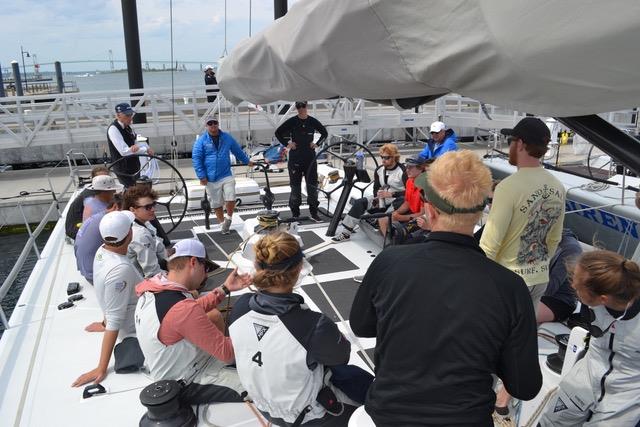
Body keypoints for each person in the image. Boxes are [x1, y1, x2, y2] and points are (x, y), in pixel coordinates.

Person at [349, 150, 542, 426]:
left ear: (429, 210)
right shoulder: (510, 287)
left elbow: (362, 326)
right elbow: (525, 386)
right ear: (479, 213)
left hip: (389, 417)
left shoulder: (389, 262)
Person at [229, 231, 373, 426]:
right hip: (307, 416)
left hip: (265, 407)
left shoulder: (240, 307)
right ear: (298, 269)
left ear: (256, 266)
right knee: (362, 382)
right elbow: (341, 357)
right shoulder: (315, 325)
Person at [479, 117, 565, 421]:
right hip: (538, 276)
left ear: (520, 144)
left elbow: (489, 244)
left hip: (505, 281)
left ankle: (481, 403)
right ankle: (503, 405)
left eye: (510, 141)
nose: (508, 147)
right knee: (519, 343)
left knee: (488, 344)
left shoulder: (509, 187)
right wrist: (536, 264)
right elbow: (554, 240)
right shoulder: (558, 187)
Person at [135, 239, 252, 404]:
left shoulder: (153, 287)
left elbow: (190, 310)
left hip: (168, 374)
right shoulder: (182, 309)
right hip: (188, 382)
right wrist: (258, 334)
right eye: (206, 268)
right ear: (193, 262)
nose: (206, 275)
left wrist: (224, 289)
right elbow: (227, 353)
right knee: (261, 384)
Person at [539, 250, 640, 427]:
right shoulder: (596, 301)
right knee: (551, 422)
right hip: (587, 374)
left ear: (603, 299)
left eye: (578, 288)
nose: (572, 287)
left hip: (626, 393)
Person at [72, 210, 143, 387]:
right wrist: (101, 368)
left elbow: (109, 297)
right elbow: (115, 319)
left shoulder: (102, 250)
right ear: (130, 234)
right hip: (137, 330)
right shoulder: (120, 269)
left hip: (133, 318)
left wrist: (103, 323)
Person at [332, 143, 407, 242]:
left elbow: (410, 192)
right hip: (382, 198)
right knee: (360, 203)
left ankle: (387, 236)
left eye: (387, 157)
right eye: (381, 157)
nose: (383, 160)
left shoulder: (403, 171)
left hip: (398, 199)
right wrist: (376, 198)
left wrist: (391, 194)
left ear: (394, 157)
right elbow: (376, 187)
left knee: (387, 213)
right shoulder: (379, 170)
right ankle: (346, 232)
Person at [192, 117, 253, 234]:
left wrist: (247, 161)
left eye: (215, 123)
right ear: (206, 126)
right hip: (210, 178)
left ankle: (229, 218)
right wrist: (202, 176)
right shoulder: (200, 141)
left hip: (226, 174)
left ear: (218, 124)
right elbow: (196, 159)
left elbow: (237, 151)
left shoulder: (227, 137)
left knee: (231, 196)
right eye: (210, 123)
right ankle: (222, 224)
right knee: (216, 203)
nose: (213, 125)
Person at [275, 101, 328, 221]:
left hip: (310, 159)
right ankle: (295, 214)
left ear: (306, 106)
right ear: (296, 108)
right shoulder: (292, 121)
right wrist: (287, 144)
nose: (301, 109)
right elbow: (278, 132)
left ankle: (314, 212)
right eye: (298, 106)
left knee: (312, 188)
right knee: (295, 188)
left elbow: (324, 133)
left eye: (302, 106)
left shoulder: (312, 121)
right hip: (295, 159)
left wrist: (317, 144)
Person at [75, 194, 123, 285]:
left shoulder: (96, 217)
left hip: (85, 269)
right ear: (116, 207)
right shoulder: (109, 222)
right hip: (95, 276)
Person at [537, 228, 583, 324]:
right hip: (535, 290)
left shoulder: (571, 249)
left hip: (559, 300)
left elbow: (550, 288)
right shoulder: (536, 238)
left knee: (515, 314)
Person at [378, 155, 427, 239]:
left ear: (421, 168)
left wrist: (401, 217)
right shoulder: (409, 181)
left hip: (422, 218)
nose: (407, 170)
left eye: (410, 167)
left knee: (398, 231)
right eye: (406, 167)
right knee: (382, 220)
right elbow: (407, 202)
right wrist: (396, 213)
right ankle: (388, 244)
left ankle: (396, 245)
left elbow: (423, 213)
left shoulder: (425, 186)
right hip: (412, 213)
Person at [123, 185, 167, 278]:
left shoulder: (142, 222)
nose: (153, 209)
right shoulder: (140, 234)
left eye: (153, 205)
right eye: (148, 207)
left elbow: (157, 245)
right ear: (132, 210)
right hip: (141, 280)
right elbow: (152, 273)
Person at [107, 102, 153, 187]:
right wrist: (145, 150)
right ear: (118, 116)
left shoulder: (128, 127)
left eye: (131, 114)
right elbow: (124, 152)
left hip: (134, 166)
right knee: (131, 192)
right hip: (123, 169)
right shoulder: (113, 129)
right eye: (127, 115)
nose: (130, 117)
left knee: (136, 190)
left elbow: (136, 141)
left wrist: (144, 147)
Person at [65, 166, 110, 240]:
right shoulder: (90, 199)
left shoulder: (96, 192)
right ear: (93, 180)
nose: (104, 181)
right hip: (77, 232)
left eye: (106, 178)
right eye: (100, 179)